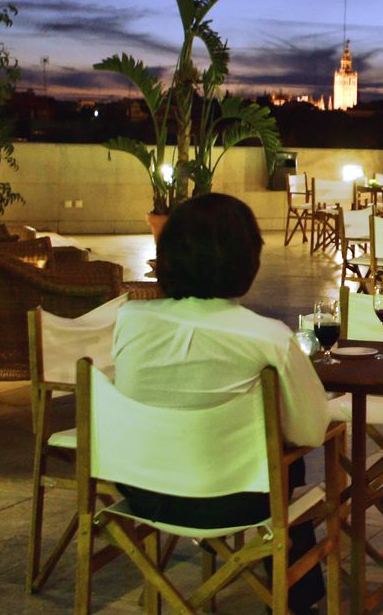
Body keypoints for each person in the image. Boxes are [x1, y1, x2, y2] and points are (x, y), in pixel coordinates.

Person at [111, 192, 332, 613]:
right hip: (233, 499)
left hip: (141, 492)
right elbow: (310, 430)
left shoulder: (129, 320)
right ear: (246, 262)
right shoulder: (267, 336)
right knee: (289, 458)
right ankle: (295, 601)